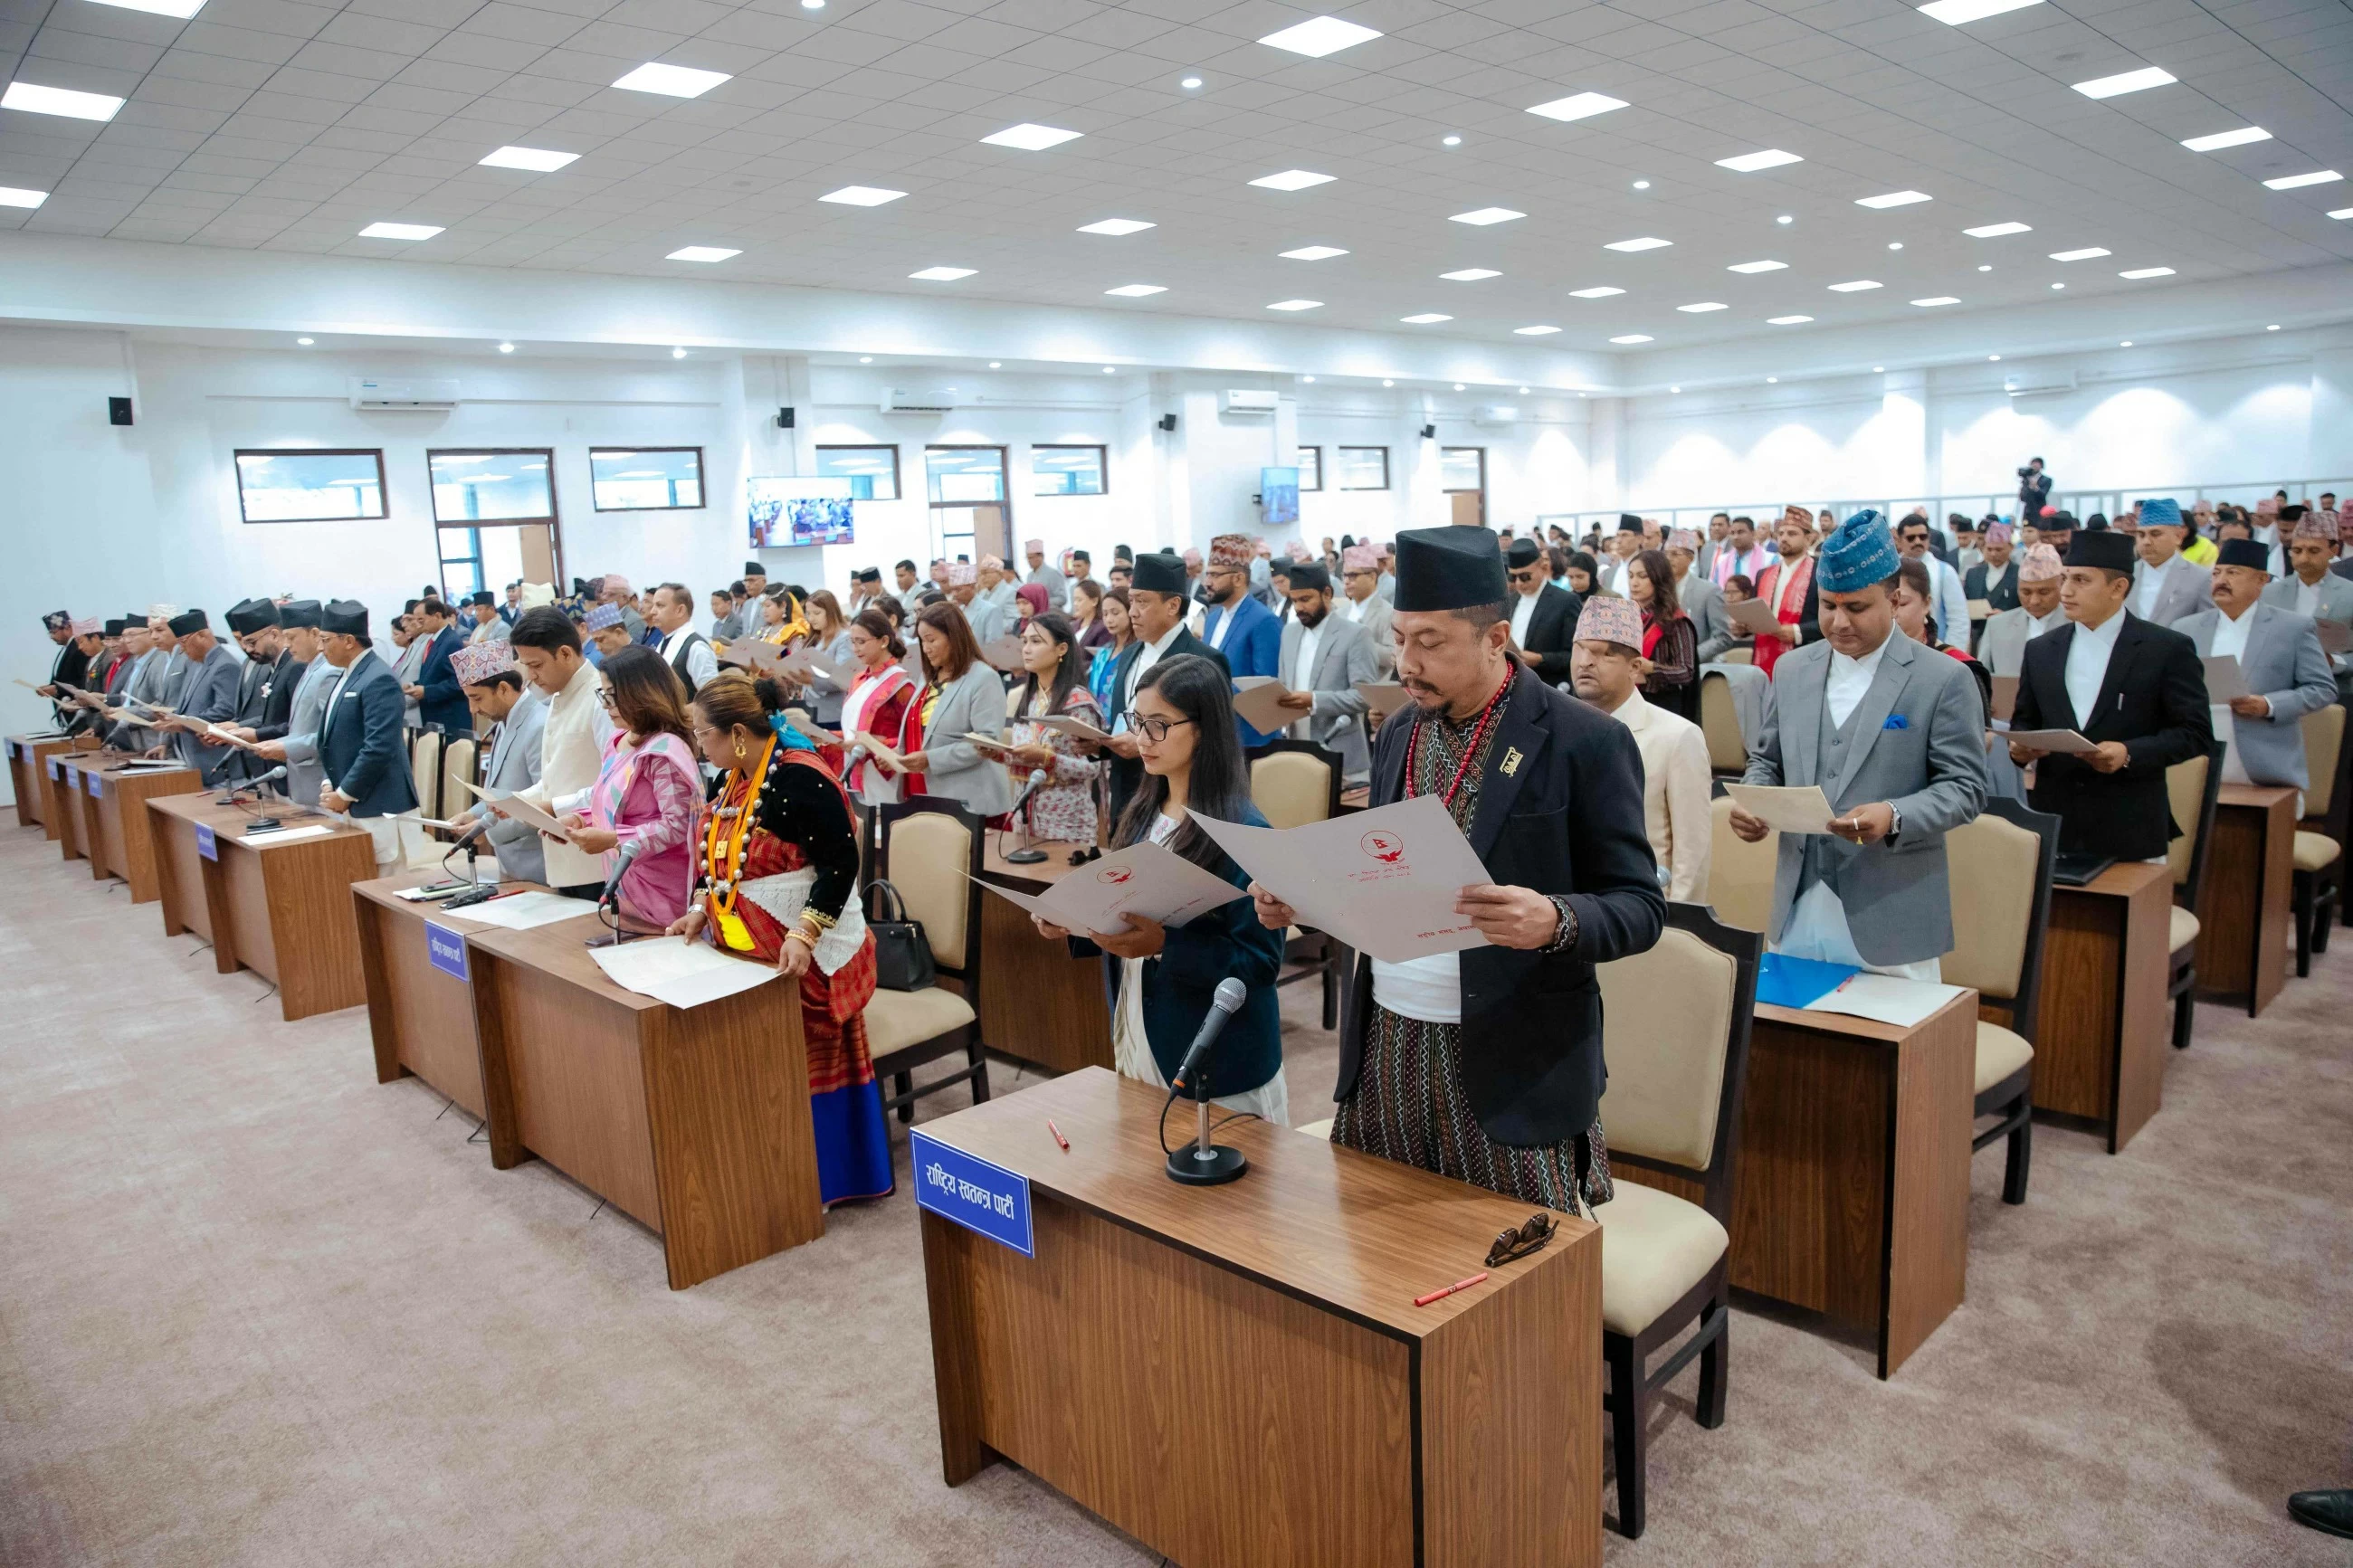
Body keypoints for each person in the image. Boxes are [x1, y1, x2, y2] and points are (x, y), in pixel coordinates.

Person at [1252, 526, 1664, 1213]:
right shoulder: (1400, 731)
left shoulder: (1585, 740)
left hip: (1512, 1056)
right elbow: (1381, 877)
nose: (1406, 664)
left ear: (1495, 638)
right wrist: (1305, 898)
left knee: (1513, 1262)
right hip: (1387, 1047)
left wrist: (1556, 919)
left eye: (1430, 643)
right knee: (1382, 1248)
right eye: (1399, 639)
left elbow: (1640, 907)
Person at [1731, 512, 1989, 978]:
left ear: (1894, 601)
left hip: (1892, 912)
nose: (1839, 622)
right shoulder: (1792, 670)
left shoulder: (1943, 678)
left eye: (1856, 607)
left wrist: (1894, 815)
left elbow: (1966, 788)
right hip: (1797, 908)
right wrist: (1755, 801)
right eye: (1828, 606)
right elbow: (1767, 760)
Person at [669, 670, 892, 1208]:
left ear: (738, 733)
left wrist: (806, 932)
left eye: (703, 734)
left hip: (803, 956)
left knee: (806, 1061)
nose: (698, 746)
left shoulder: (802, 779)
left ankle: (827, 1179)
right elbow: (716, 859)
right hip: (743, 950)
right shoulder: (729, 779)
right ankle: (764, 1170)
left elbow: (840, 865)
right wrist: (699, 909)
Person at [1033, 655, 1290, 1122]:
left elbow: (1259, 964)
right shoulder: (1143, 810)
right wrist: (1073, 918)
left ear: (1205, 729)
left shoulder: (1244, 831)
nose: (1141, 739)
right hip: (1140, 1019)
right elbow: (1126, 909)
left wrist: (1165, 946)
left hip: (1214, 1056)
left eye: (1159, 725)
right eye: (1137, 722)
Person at [2009, 530, 2213, 863]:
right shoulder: (2041, 649)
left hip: (2130, 825)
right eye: (2064, 579)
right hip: (2055, 824)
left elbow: (2196, 733)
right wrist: (2021, 749)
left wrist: (2129, 753)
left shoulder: (2164, 648)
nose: (2066, 591)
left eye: (2081, 580)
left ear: (2118, 588)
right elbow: (2025, 720)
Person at [546, 645, 703, 930]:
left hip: (661, 891)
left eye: (613, 696)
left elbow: (678, 825)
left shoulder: (664, 751)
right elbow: (610, 802)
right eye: (603, 694)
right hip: (624, 884)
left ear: (641, 693)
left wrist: (611, 840)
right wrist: (580, 819)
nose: (606, 705)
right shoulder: (618, 740)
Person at [2170, 539, 2337, 797]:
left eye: (2233, 573)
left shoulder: (2293, 628)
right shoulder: (2185, 628)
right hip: (2194, 759)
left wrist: (2268, 705)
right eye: (2216, 573)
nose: (2221, 580)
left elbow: (2323, 688)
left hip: (2265, 767)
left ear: (2261, 580)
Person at [1571, 596, 1710, 902]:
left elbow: (1693, 852)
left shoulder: (1677, 736)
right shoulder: (1561, 732)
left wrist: (1678, 919)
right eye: (1579, 649)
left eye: (1605, 654)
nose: (1585, 662)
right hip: (1573, 912)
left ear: (1635, 668)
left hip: (1646, 910)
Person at [1100, 552, 1230, 822]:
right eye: (1131, 601)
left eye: (1142, 602)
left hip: (1179, 801)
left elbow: (1216, 737)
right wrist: (1099, 744)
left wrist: (1144, 741)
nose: (1132, 611)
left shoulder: (1203, 659)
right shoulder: (1129, 653)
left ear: (1172, 605)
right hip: (1125, 794)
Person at [499, 605, 616, 898]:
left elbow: (614, 786)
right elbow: (555, 776)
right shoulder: (556, 697)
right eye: (526, 666)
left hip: (596, 857)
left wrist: (552, 807)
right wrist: (517, 801)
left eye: (536, 665)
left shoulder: (600, 699)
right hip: (562, 856)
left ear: (565, 653)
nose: (530, 676)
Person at [884, 602, 1012, 816]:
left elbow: (987, 742)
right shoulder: (928, 677)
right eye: (922, 641)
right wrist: (900, 752)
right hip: (922, 789)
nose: (926, 648)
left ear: (954, 637)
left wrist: (930, 759)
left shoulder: (983, 678)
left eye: (931, 640)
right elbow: (923, 730)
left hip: (967, 797)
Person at [444, 639, 548, 883]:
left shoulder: (539, 725)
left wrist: (486, 830)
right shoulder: (503, 720)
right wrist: (473, 815)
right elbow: (500, 792)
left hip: (539, 865)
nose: (472, 709)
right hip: (512, 864)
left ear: (503, 689)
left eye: (477, 698)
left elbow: (544, 801)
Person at [311, 599, 420, 823]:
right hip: (354, 801)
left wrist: (345, 793)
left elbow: (379, 746)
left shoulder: (379, 678)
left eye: (325, 640)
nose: (320, 648)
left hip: (380, 805)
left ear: (349, 641)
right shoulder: (349, 673)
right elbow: (336, 738)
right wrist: (329, 782)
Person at [1001, 612, 1105, 844]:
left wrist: (1049, 759)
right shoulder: (1028, 698)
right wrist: (999, 754)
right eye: (1025, 642)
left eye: (1036, 642)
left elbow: (1092, 768)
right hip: (1025, 816)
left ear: (1061, 649)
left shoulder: (1077, 702)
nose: (1026, 649)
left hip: (1066, 821)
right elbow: (1023, 754)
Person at [1271, 561, 1379, 780]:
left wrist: (1314, 700)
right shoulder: (1289, 633)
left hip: (1341, 754)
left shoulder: (1355, 634)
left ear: (1327, 594)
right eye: (1294, 601)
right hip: (1297, 752)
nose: (1299, 608)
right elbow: (1284, 684)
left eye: (1305, 599)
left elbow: (1364, 696)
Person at [1198, 533, 1282, 745]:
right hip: (1217, 733)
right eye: (1207, 575)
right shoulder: (1213, 618)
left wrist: (1212, 696)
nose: (1207, 583)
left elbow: (1266, 686)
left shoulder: (1264, 620)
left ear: (1238, 578)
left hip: (1250, 738)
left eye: (1215, 575)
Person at [2263, 508, 2353, 696]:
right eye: (2297, 551)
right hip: (2278, 693)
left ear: (2333, 551)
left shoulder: (2349, 594)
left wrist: (2335, 661)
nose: (2303, 558)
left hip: (2335, 691)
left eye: (2314, 551)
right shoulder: (2269, 594)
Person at [836, 608, 920, 805]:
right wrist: (827, 736)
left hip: (883, 773)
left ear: (883, 641)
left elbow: (913, 737)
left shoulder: (901, 683)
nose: (855, 649)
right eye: (852, 642)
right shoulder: (859, 679)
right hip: (855, 766)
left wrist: (873, 745)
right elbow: (853, 730)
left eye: (861, 642)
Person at [1891, 557, 1993, 719]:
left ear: (1926, 604)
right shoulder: (1864, 661)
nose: (1892, 613)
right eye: (1884, 604)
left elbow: (1977, 732)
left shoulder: (1958, 668)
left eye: (1902, 603)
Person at [155, 610, 244, 784]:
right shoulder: (194, 664)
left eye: (183, 642)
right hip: (196, 762)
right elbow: (188, 706)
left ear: (202, 635)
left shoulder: (225, 665)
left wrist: (185, 724)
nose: (181, 649)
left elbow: (226, 709)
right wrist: (172, 718)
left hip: (218, 764)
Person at [1625, 547, 1699, 719]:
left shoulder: (1676, 621)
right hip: (1630, 699)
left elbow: (1686, 672)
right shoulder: (1627, 616)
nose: (1634, 583)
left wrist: (1651, 667)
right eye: (1631, 576)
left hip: (1662, 704)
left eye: (1642, 576)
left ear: (1659, 579)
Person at [1978, 543, 2068, 679]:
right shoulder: (1997, 625)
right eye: (2026, 592)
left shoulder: (2075, 625)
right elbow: (1982, 678)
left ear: (2061, 586)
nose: (2034, 601)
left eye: (2044, 592)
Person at [1502, 537, 1580, 686]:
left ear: (1542, 568)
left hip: (1547, 685)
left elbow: (1573, 654)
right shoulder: (1510, 601)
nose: (1518, 583)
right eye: (1513, 577)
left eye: (1525, 577)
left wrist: (1541, 659)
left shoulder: (1565, 601)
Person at [2127, 499, 2213, 628]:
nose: (2146, 542)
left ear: (2178, 536)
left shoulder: (2200, 578)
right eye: (2141, 535)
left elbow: (2206, 627)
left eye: (2155, 534)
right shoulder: (2125, 575)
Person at [1896, 515, 1971, 654]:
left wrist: (1949, 655)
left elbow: (1958, 619)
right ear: (1899, 540)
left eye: (1922, 537)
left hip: (1937, 649)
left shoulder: (1945, 572)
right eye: (1911, 538)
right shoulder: (1890, 572)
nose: (1918, 541)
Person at [402, 600, 472, 737]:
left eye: (421, 619)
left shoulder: (451, 641)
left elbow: (459, 683)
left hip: (450, 718)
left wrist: (426, 692)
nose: (418, 624)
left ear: (437, 616)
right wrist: (414, 685)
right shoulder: (435, 640)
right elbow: (434, 676)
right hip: (435, 716)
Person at [1667, 531, 1732, 663]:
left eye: (1675, 554)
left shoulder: (1708, 591)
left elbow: (1723, 637)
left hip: (1698, 666)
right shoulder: (1658, 590)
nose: (1668, 559)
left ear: (1690, 558)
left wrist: (1691, 657)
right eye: (1666, 554)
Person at [645, 582, 719, 698]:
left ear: (680, 610)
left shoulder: (696, 647)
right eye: (653, 605)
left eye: (660, 605)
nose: (652, 611)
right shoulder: (664, 641)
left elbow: (713, 698)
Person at [1338, 542, 1396, 678]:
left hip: (1373, 685)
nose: (1347, 581)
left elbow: (1393, 657)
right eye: (1344, 575)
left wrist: (1359, 642)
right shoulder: (1339, 614)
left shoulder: (1388, 613)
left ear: (1372, 577)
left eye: (1353, 575)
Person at [1966, 522, 2021, 644]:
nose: (1993, 554)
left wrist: (2006, 616)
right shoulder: (1973, 574)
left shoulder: (2020, 574)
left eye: (1999, 549)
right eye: (1989, 549)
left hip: (2008, 636)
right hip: (1977, 636)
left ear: (2011, 547)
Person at [1089, 585, 1132, 711]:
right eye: (1105, 614)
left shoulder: (1137, 653)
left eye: (1115, 613)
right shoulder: (1103, 653)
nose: (1109, 619)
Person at [1709, 515, 1772, 588]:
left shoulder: (1769, 559)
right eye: (1732, 533)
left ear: (1753, 533)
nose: (1736, 537)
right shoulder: (1722, 561)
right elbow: (1716, 588)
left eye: (1740, 532)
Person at [1598, 514, 1643, 596]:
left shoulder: (1648, 569)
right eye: (1617, 535)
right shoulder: (1608, 573)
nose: (1618, 540)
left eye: (1624, 535)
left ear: (1639, 538)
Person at [1022, 537, 1068, 611]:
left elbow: (1062, 598)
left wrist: (1043, 602)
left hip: (1051, 614)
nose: (1029, 561)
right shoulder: (1029, 576)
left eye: (1031, 558)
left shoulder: (1053, 574)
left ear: (1041, 557)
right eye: (1027, 558)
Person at [1071, 577, 1110, 651]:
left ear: (1094, 601)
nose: (1075, 604)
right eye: (1074, 600)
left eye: (1079, 600)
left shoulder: (1103, 627)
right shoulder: (1073, 625)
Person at [2017, 457, 2052, 522]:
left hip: (2040, 510)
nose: (2034, 466)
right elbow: (2023, 498)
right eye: (2032, 464)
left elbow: (2043, 494)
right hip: (2028, 511)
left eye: (2036, 464)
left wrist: (2035, 487)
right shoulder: (2026, 479)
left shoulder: (2047, 480)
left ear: (2041, 466)